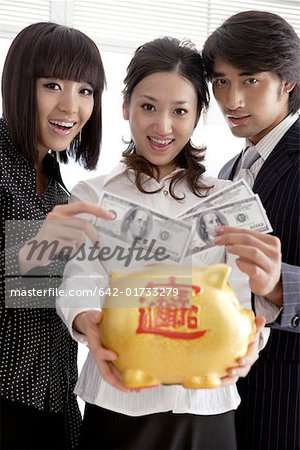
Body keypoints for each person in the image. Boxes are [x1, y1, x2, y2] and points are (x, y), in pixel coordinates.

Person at [56, 36, 280, 450]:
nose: (163, 127)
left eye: (180, 111)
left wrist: (253, 339)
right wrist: (87, 319)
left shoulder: (234, 199)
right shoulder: (91, 195)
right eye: (148, 107)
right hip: (116, 398)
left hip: (206, 405)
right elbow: (81, 279)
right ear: (125, 106)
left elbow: (248, 297)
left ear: (197, 116)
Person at [0, 22, 113, 449]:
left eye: (86, 91)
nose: (71, 106)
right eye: (52, 85)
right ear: (17, 84)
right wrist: (28, 255)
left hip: (55, 405)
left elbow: (39, 296)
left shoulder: (63, 193)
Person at [202, 10, 300, 450]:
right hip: (222, 399)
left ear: (288, 82)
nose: (232, 99)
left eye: (250, 80)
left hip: (288, 405)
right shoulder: (226, 171)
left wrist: (282, 285)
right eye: (221, 81)